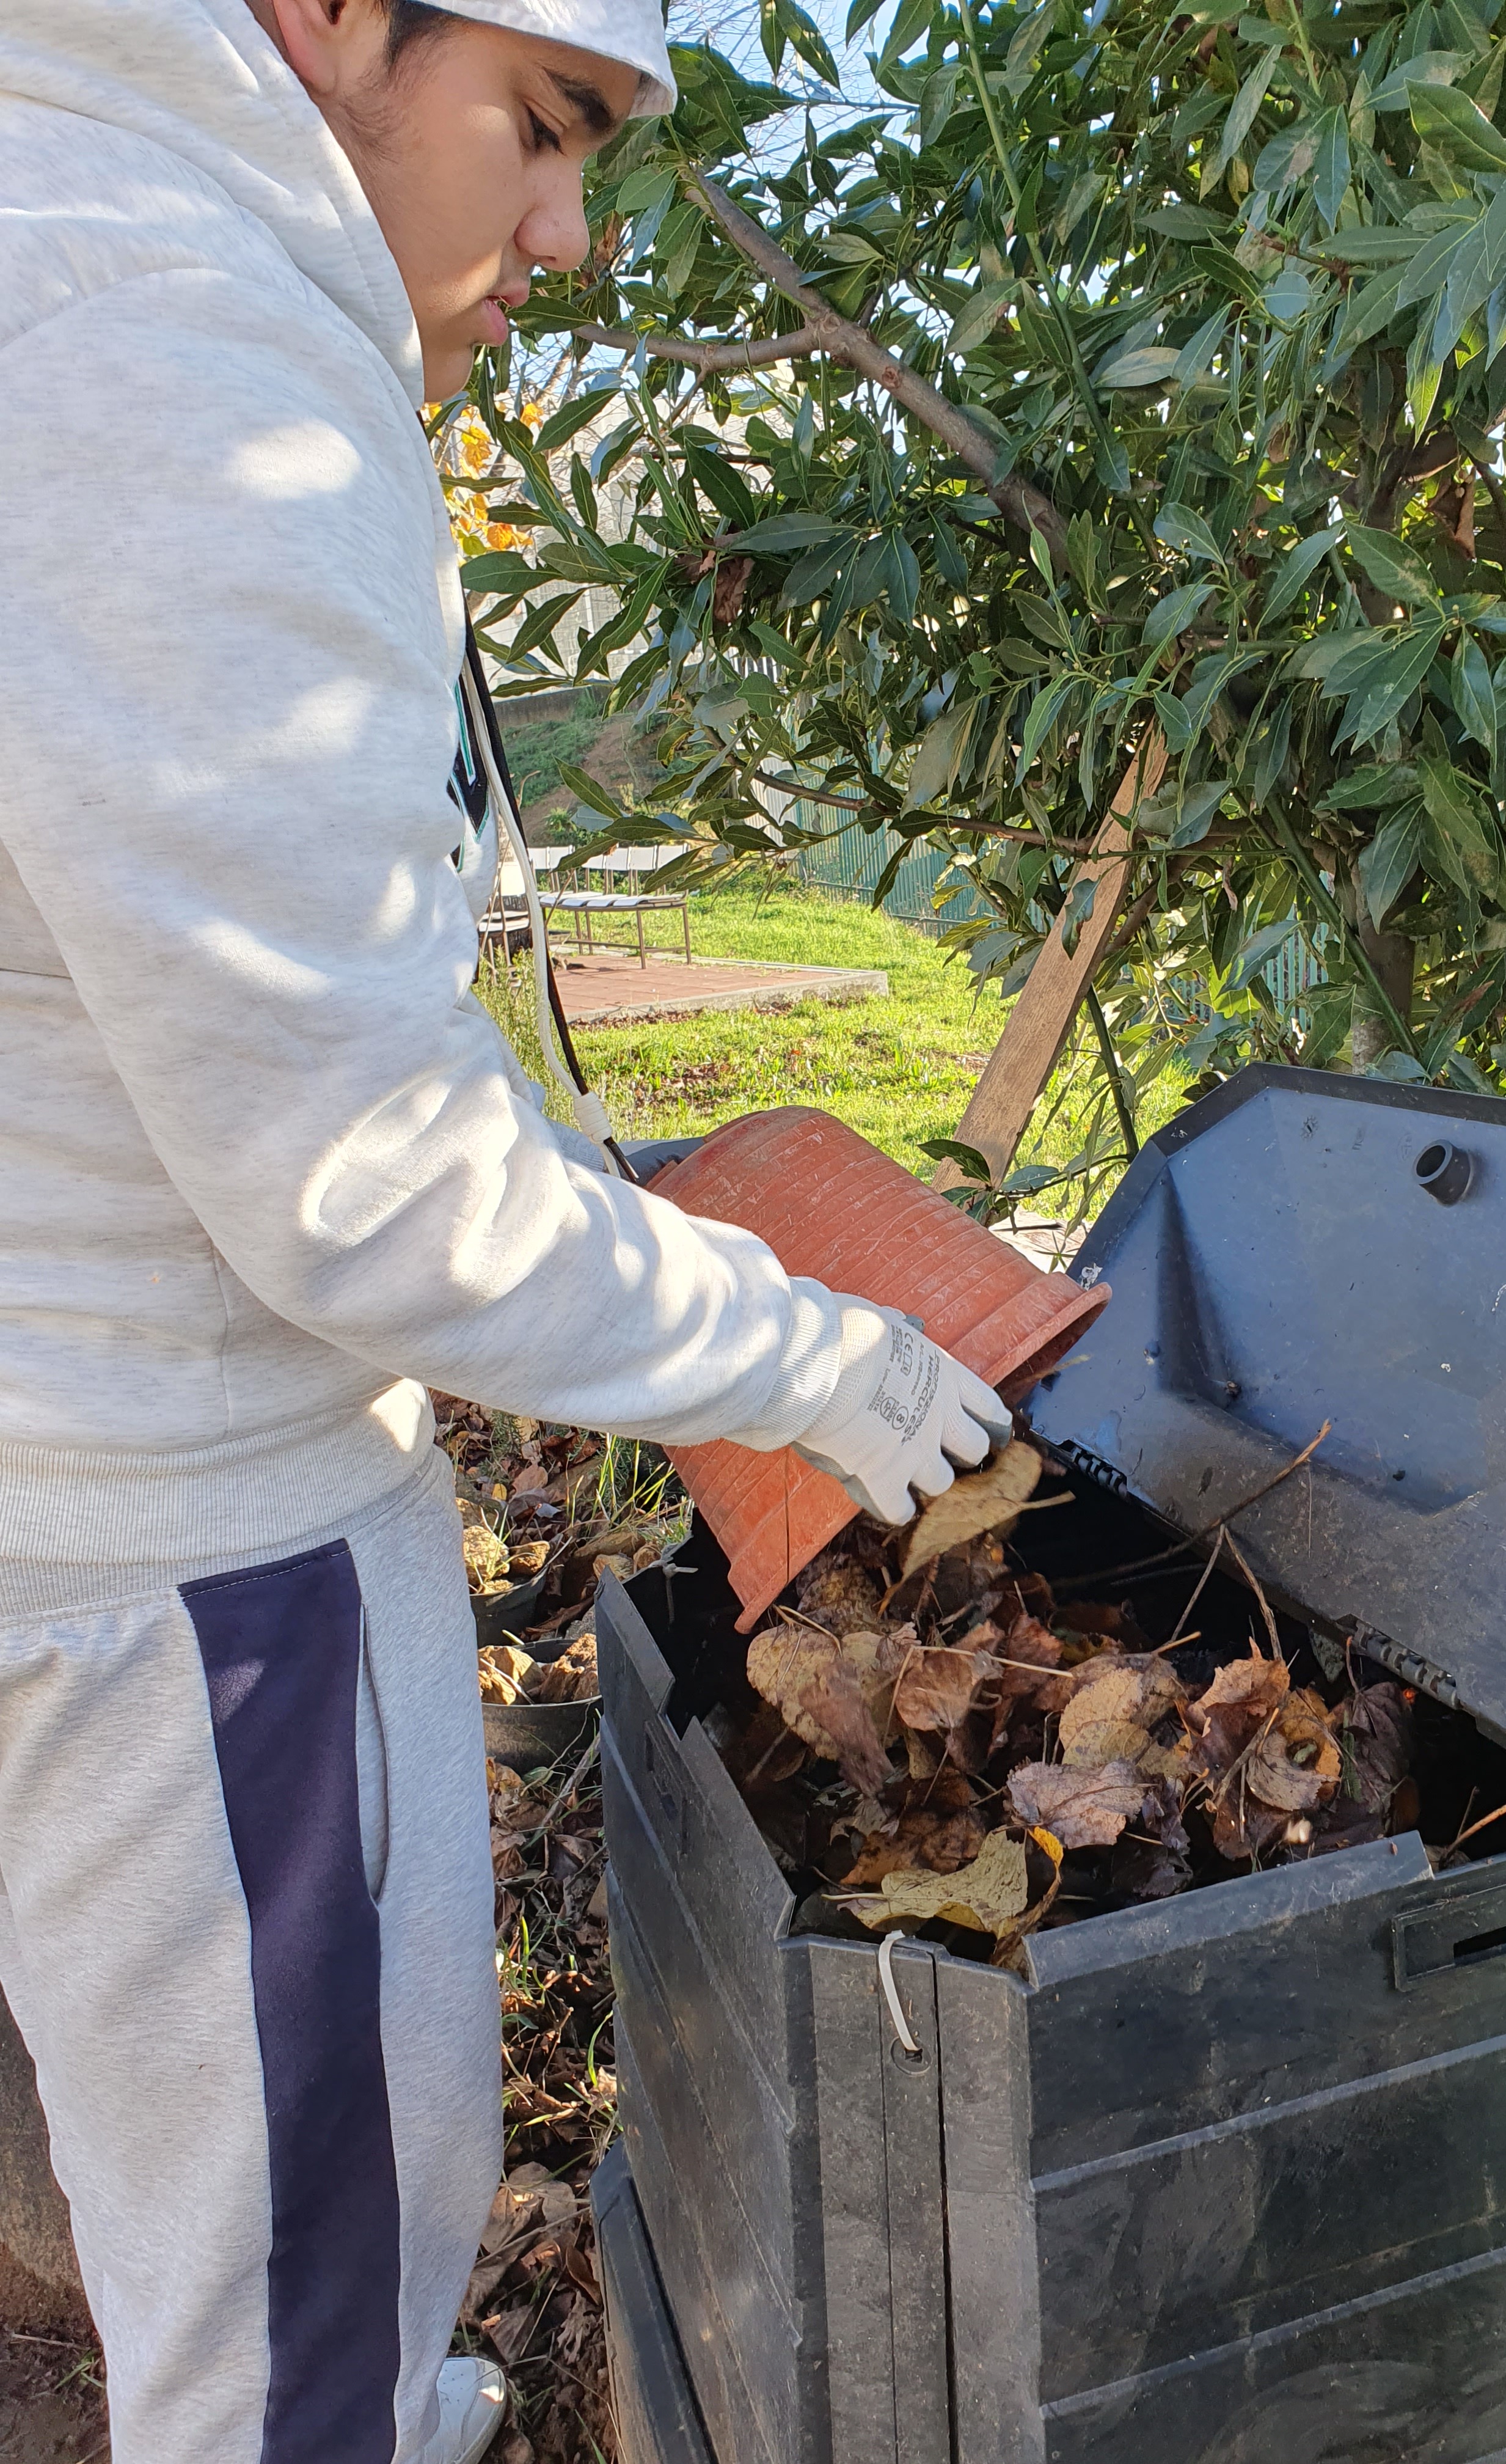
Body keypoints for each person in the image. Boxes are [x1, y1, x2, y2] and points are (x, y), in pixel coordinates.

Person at [0, 5, 1010, 2459]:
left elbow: (238, 995)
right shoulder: (173, 340)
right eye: (542, 127)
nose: (562, 231)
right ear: (334, 21)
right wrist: (804, 1356)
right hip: (186, 1573)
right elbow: (358, 1181)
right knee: (291, 2379)